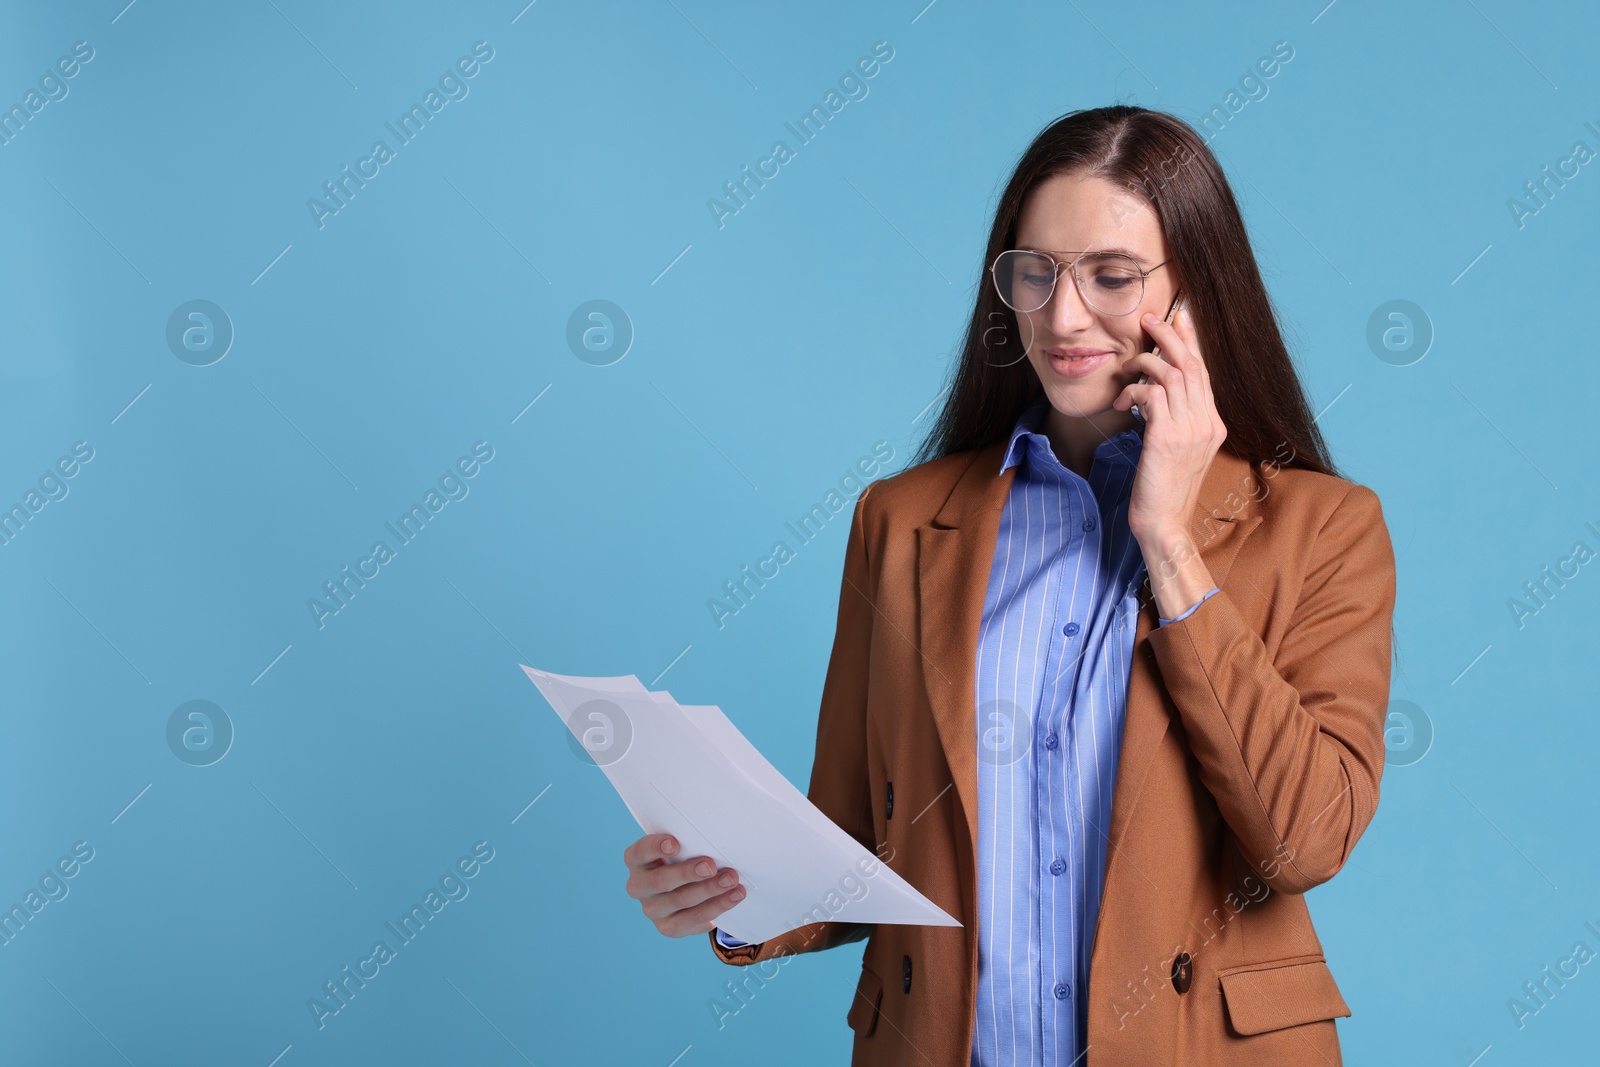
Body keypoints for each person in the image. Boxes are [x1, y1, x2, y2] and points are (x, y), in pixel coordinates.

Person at [621, 105, 1396, 1066]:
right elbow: (856, 840)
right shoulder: (901, 522)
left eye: (1112, 276)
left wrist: (1168, 541)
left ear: (1195, 295)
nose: (1063, 316)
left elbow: (1302, 840)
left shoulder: (1323, 528)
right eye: (1036, 271)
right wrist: (730, 898)